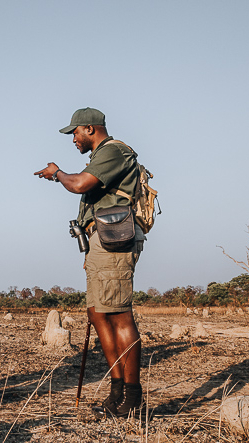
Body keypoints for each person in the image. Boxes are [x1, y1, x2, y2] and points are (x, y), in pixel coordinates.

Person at [35, 107, 146, 417]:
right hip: (100, 243)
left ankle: (132, 398)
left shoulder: (114, 151)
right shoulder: (101, 156)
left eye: (75, 132)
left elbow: (80, 184)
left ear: (90, 128)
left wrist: (56, 173)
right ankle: (116, 392)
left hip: (114, 240)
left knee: (120, 315)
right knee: (98, 314)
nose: (73, 138)